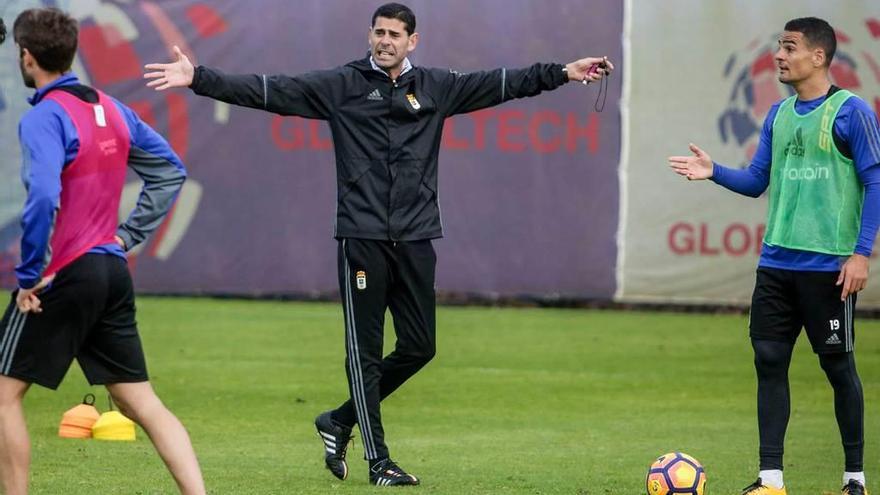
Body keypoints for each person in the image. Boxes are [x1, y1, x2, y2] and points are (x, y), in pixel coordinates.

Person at [145, 1, 612, 487]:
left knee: (420, 347)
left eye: (395, 34)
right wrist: (196, 77)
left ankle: (339, 419)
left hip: (416, 236)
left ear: (414, 41)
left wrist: (563, 72)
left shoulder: (436, 86)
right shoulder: (342, 86)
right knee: (364, 354)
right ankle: (378, 461)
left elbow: (503, 82)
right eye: (378, 32)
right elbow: (269, 90)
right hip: (362, 238)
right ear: (370, 35)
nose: (385, 41)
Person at [669, 17, 880, 495]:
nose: (779, 56)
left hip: (829, 269)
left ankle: (854, 479)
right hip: (776, 266)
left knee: (838, 368)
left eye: (789, 47)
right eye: (778, 47)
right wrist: (714, 171)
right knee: (768, 362)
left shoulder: (851, 112)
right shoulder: (778, 115)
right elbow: (756, 181)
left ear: (819, 57)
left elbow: (875, 182)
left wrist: (860, 254)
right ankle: (771, 480)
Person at [0, 8, 206, 495]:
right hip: (112, 273)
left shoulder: (44, 117)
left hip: (64, 274)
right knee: (140, 401)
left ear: (27, 57)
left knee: (3, 397)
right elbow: (171, 170)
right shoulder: (112, 108)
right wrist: (128, 237)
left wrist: (29, 275)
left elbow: (44, 198)